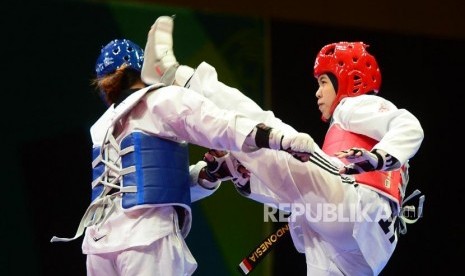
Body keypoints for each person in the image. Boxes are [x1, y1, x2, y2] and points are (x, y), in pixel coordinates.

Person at [153, 16, 425, 276]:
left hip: (357, 214)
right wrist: (246, 179)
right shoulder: (353, 140)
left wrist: (381, 157)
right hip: (362, 251)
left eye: (323, 82)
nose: (317, 92)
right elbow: (297, 194)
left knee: (270, 131)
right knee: (287, 173)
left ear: (347, 80)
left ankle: (175, 74)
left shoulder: (355, 105)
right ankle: (242, 170)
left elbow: (409, 124)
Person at [50, 16, 316, 276]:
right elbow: (221, 125)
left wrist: (209, 175)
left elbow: (148, 187)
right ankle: (172, 69)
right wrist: (276, 138)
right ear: (138, 70)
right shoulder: (160, 100)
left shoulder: (101, 129)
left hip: (98, 248)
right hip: (146, 241)